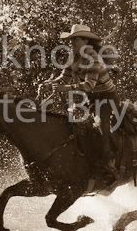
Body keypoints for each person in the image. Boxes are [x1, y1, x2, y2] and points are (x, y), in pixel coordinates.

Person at [48, 24, 121, 184]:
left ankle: (109, 166)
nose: (71, 42)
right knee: (73, 126)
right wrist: (50, 83)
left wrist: (64, 88)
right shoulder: (73, 55)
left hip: (106, 98)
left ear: (85, 41)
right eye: (70, 39)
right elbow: (65, 76)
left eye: (74, 39)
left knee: (101, 128)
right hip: (91, 98)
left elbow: (89, 85)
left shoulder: (93, 57)